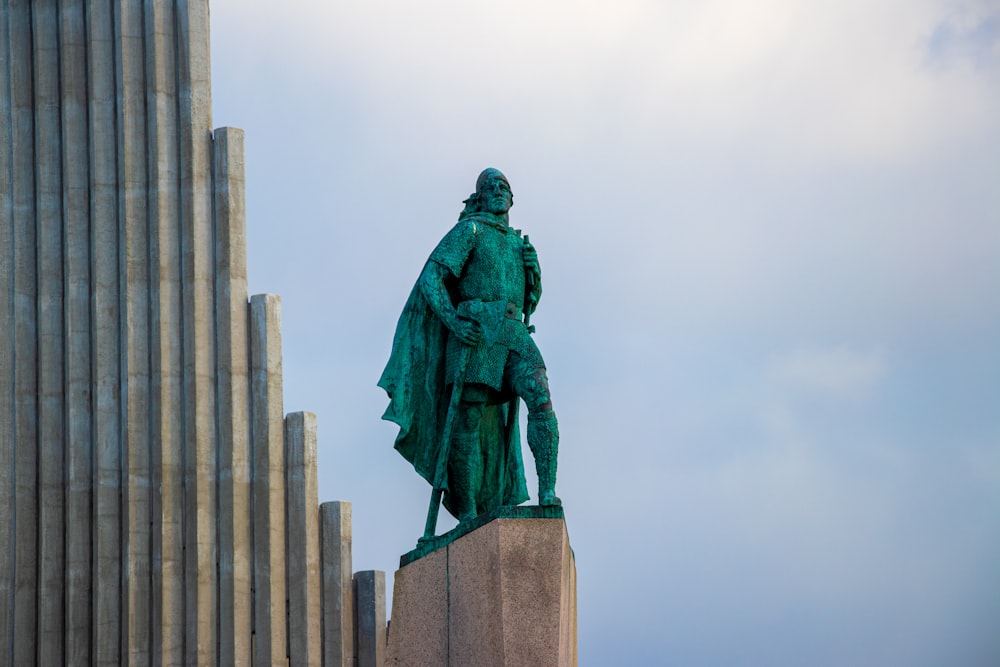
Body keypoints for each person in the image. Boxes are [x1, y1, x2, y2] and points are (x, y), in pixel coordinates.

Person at [379, 168, 561, 525]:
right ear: (479, 197)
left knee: (540, 394)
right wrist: (453, 321)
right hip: (476, 329)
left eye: (503, 186)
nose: (497, 190)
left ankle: (547, 491)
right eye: (489, 186)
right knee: (469, 419)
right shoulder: (470, 230)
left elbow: (527, 300)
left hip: (512, 330)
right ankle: (468, 513)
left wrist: (534, 276)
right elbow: (432, 277)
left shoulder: (517, 243)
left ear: (512, 197)